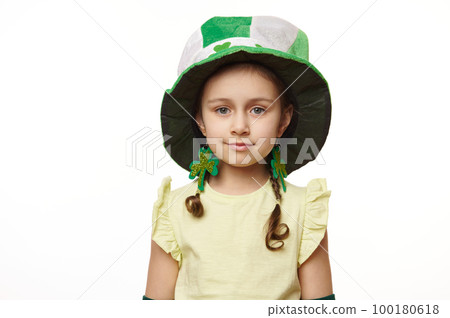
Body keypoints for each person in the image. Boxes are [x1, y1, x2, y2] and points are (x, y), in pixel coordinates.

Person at [143, 16, 334, 300]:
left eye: (258, 109)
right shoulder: (173, 208)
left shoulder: (304, 208)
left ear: (284, 119)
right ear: (200, 120)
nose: (240, 126)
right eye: (222, 110)